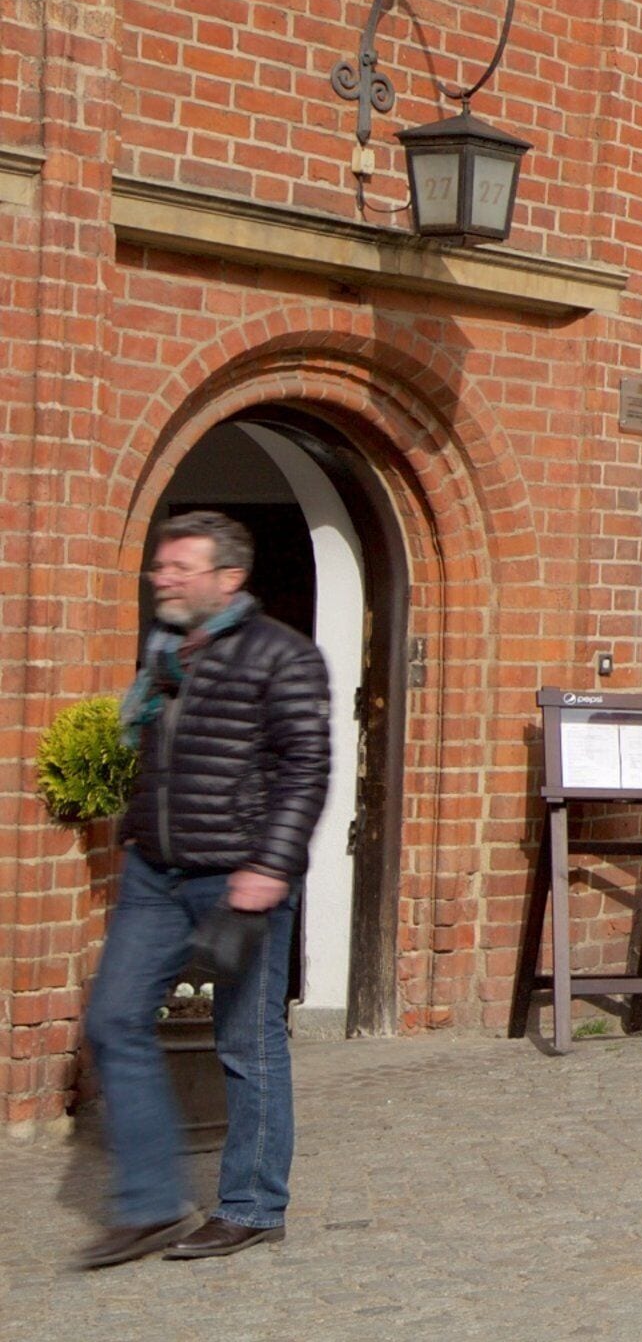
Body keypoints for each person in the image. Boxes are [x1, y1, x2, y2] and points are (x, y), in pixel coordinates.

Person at [79, 510, 331, 1269]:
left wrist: (269, 868)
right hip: (157, 871)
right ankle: (152, 1203)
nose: (164, 577)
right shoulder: (166, 654)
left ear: (229, 578)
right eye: (163, 566)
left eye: (182, 566)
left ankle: (252, 1207)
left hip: (239, 875)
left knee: (246, 1043)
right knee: (114, 1020)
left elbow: (305, 769)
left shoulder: (282, 655)